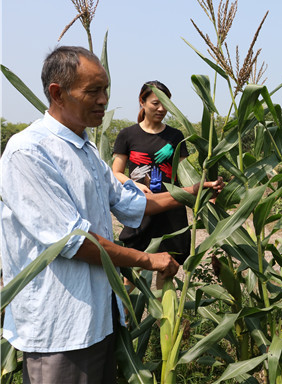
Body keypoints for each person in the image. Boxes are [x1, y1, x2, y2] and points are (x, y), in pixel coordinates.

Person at [0, 46, 200, 384]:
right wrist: (148, 260)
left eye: (105, 89)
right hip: (61, 329)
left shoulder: (86, 148)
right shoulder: (29, 152)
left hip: (100, 320)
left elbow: (130, 202)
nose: (104, 99)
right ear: (57, 93)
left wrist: (191, 193)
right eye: (93, 91)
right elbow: (74, 242)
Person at [112, 81, 223, 282]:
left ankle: (163, 312)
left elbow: (185, 173)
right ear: (142, 102)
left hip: (171, 211)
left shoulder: (175, 136)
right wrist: (134, 184)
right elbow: (116, 172)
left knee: (168, 269)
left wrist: (208, 188)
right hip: (142, 209)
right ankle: (127, 314)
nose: (162, 109)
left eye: (166, 104)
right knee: (132, 275)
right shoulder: (127, 135)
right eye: (156, 103)